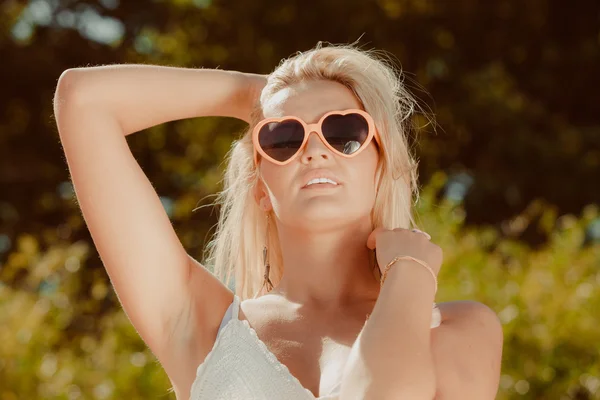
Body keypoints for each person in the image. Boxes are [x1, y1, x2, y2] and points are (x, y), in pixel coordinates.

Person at [53, 42, 503, 400]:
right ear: (261, 189)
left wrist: (410, 273)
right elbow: (83, 100)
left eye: (344, 131)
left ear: (382, 167)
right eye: (283, 136)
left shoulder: (463, 330)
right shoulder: (202, 325)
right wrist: (255, 96)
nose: (314, 148)